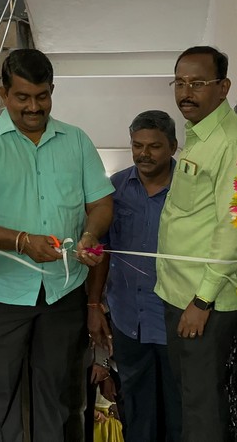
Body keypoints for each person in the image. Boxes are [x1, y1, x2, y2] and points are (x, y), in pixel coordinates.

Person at [0, 48, 114, 442]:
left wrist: (90, 234)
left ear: (52, 91)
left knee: (57, 393)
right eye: (22, 97)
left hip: (62, 291)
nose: (34, 107)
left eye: (42, 96)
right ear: (4, 94)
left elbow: (101, 204)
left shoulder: (76, 141)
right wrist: (20, 241)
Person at [155, 46, 237, 442]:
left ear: (223, 87)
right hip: (180, 293)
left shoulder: (230, 141)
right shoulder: (199, 134)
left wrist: (203, 301)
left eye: (198, 83)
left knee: (202, 406)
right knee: (192, 399)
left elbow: (235, 228)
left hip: (201, 301)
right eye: (179, 83)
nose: (185, 93)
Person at [86, 110, 182, 442]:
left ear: (173, 146)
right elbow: (102, 251)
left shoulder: (190, 188)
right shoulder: (114, 188)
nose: (144, 154)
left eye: (154, 146)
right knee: (137, 413)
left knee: (179, 414)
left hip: (176, 319)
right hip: (129, 322)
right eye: (137, 145)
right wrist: (94, 305)